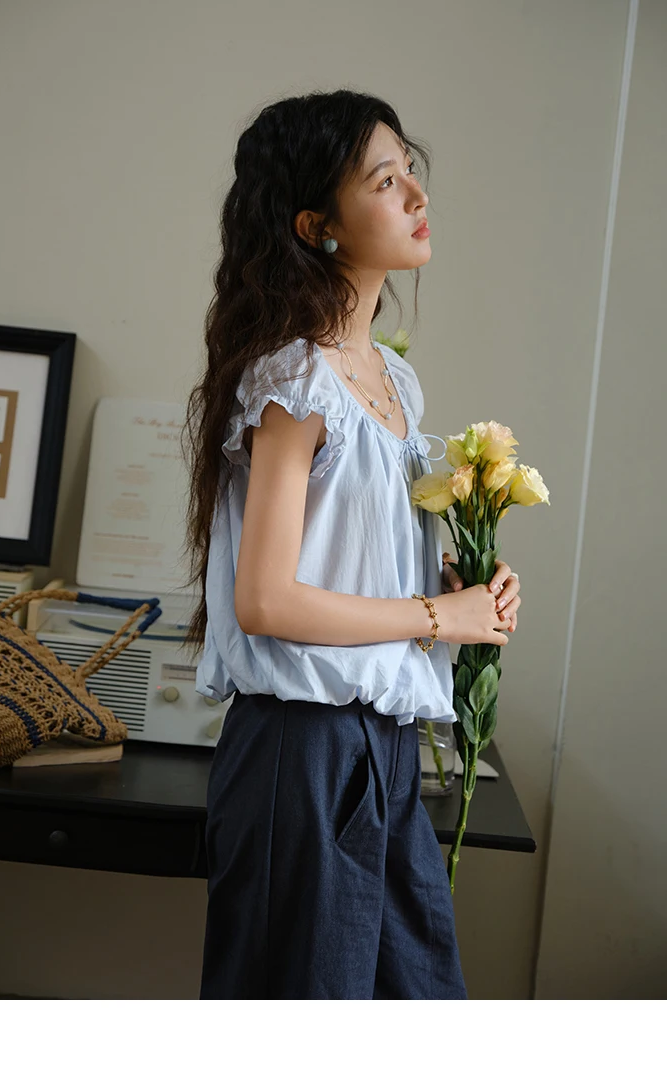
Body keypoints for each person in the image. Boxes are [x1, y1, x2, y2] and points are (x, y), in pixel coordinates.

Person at [178, 89, 521, 1000]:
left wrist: (460, 589)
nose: (416, 194)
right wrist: (434, 614)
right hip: (303, 754)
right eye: (384, 179)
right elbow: (266, 600)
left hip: (385, 750)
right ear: (316, 226)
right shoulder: (294, 379)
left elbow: (346, 557)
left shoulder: (394, 382)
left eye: (411, 170)